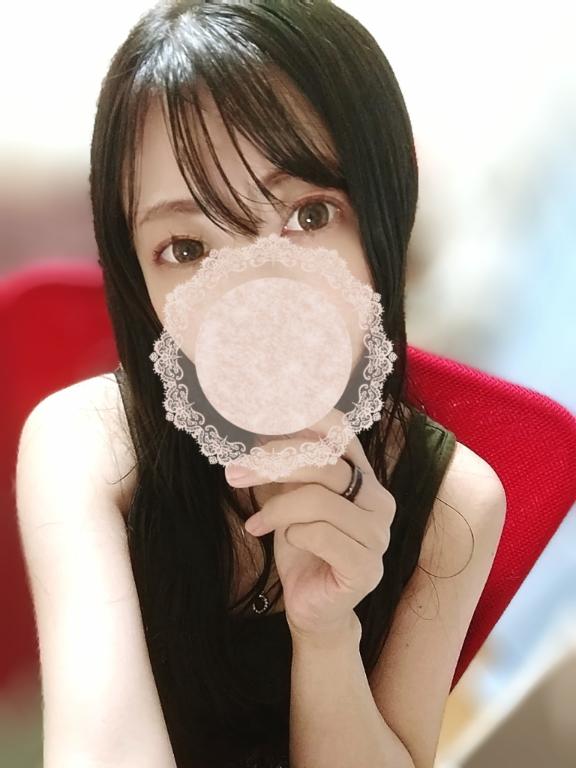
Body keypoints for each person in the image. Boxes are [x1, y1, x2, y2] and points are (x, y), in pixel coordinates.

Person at [16, 2, 506, 767]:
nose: (255, 289)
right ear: (137, 280)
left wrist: (326, 634)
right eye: (186, 248)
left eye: (310, 214)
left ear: (384, 214)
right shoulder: (85, 447)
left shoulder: (453, 503)